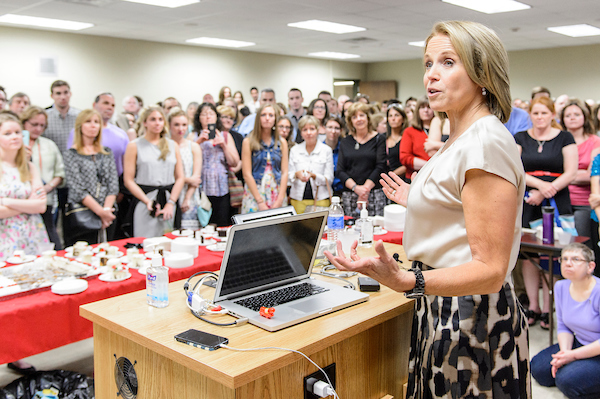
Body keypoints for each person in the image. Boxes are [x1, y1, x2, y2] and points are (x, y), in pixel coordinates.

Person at [326, 21, 529, 398]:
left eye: (448, 62)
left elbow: (490, 270)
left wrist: (409, 282)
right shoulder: (460, 137)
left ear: (482, 73)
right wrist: (419, 199)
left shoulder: (484, 141)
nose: (431, 75)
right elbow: (459, 207)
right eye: (428, 63)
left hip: (472, 317)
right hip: (443, 304)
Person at [515, 96, 577, 329]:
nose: (539, 117)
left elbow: (570, 172)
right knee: (529, 256)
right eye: (535, 113)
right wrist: (539, 187)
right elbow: (516, 168)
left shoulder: (564, 137)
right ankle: (534, 306)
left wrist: (547, 190)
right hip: (528, 201)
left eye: (544, 113)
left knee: (552, 256)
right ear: (530, 115)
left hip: (557, 200)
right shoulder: (520, 137)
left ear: (552, 114)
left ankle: (550, 307)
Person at [0, 113, 49, 375]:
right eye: (7, 132)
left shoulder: (28, 166)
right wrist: (24, 205)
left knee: (29, 295)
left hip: (30, 236)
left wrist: (7, 203)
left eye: (17, 132)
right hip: (4, 238)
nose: (14, 137)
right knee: (6, 298)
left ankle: (20, 353)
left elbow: (40, 205)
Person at [530, 243, 600, 399]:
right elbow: (563, 326)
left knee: (566, 381)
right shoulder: (561, 286)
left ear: (590, 266)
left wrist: (573, 356)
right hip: (580, 342)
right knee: (538, 369)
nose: (568, 263)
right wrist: (565, 353)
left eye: (575, 259)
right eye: (564, 259)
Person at [124, 106, 185, 237]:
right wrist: (147, 201)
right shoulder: (134, 145)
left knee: (168, 243)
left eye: (160, 119)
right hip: (145, 201)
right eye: (153, 119)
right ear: (144, 122)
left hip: (169, 201)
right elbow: (128, 180)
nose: (157, 123)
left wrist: (171, 202)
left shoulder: (172, 145)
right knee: (145, 243)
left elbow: (180, 177)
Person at [63, 109, 119, 246]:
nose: (93, 125)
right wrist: (101, 213)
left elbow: (113, 184)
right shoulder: (71, 154)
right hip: (83, 215)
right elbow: (77, 189)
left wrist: (106, 211)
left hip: (108, 212)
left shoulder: (106, 152)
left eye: (96, 122)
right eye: (88, 122)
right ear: (80, 126)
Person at [21, 106, 65, 249]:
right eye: (34, 125)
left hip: (46, 199)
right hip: (22, 201)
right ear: (24, 123)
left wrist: (48, 187)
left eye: (42, 126)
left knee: (51, 235)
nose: (38, 129)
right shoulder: (16, 145)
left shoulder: (49, 145)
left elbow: (60, 172)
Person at [336, 102, 386, 217]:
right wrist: (357, 189)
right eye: (354, 117)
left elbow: (380, 166)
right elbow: (340, 170)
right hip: (350, 195)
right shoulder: (345, 141)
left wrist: (365, 191)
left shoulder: (379, 138)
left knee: (376, 231)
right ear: (350, 121)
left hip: (374, 194)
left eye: (361, 115)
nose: (359, 119)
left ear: (368, 117)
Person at [194, 103, 240, 226]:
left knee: (221, 226)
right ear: (199, 118)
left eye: (211, 114)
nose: (208, 117)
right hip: (200, 189)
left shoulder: (225, 135)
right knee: (202, 227)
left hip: (221, 189)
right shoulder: (193, 136)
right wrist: (198, 142)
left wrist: (223, 145)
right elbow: (186, 160)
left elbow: (234, 162)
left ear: (216, 117)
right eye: (204, 114)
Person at [563, 99, 600, 242]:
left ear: (585, 117)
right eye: (568, 115)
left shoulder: (595, 141)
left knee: (582, 243)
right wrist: (577, 173)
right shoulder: (558, 139)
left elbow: (590, 174)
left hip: (584, 202)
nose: (572, 118)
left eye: (577, 114)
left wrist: (564, 175)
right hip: (560, 199)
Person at [241, 103, 288, 212]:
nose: (267, 118)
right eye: (263, 115)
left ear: (275, 119)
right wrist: (260, 201)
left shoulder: (282, 142)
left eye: (271, 115)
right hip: (255, 191)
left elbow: (285, 172)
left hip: (276, 190)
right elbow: (247, 174)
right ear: (258, 118)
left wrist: (280, 200)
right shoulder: (248, 142)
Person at [288, 115, 333, 214]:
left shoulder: (326, 150)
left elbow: (329, 178)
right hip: (298, 199)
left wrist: (314, 176)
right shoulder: (295, 150)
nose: (308, 133)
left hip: (321, 199)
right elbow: (288, 175)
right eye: (305, 130)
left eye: (312, 129)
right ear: (301, 132)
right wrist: (296, 175)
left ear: (318, 130)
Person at [168, 108, 202, 230]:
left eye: (184, 125)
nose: (180, 129)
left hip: (189, 196)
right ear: (169, 126)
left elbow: (196, 178)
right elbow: (167, 175)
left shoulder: (193, 147)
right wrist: (187, 179)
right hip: (170, 193)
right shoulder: (166, 146)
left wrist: (187, 198)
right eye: (176, 125)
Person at [399, 96, 433, 180]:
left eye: (429, 107)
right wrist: (431, 165)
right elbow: (405, 157)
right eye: (422, 107)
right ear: (417, 111)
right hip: (416, 177)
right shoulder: (410, 131)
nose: (426, 110)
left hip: (439, 177)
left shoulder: (443, 129)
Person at [384, 104, 408, 180]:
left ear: (403, 119)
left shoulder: (406, 137)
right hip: (384, 181)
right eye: (390, 116)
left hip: (403, 179)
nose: (393, 118)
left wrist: (391, 175)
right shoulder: (383, 138)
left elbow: (408, 163)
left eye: (396, 115)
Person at [324, 116, 345, 196]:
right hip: (324, 193)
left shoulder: (344, 149)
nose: (333, 131)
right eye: (330, 127)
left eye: (336, 128)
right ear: (324, 128)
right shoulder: (318, 148)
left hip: (341, 191)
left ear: (341, 130)